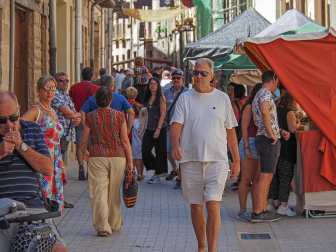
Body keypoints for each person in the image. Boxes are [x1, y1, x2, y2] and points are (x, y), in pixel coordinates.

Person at [170, 58, 240, 252]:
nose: (198, 76)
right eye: (195, 73)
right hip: (190, 160)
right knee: (196, 207)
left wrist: (236, 160)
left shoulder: (222, 98)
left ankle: (212, 249)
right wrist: (175, 145)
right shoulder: (185, 98)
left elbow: (230, 131)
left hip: (217, 160)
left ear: (212, 76)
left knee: (213, 204)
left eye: (202, 73)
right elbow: (175, 126)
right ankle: (202, 246)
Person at [0, 91, 68, 252]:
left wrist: (22, 147)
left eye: (13, 118)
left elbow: (48, 169)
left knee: (59, 249)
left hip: (33, 208)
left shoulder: (32, 129)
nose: (9, 124)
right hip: (3, 209)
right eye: (2, 120)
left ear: (19, 110)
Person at [81, 87, 133, 237]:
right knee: (113, 192)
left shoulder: (90, 117)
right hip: (117, 157)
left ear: (96, 100)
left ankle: (103, 226)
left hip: (97, 156)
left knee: (99, 192)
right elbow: (124, 140)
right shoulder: (119, 116)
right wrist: (130, 160)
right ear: (111, 100)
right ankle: (114, 223)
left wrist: (85, 151)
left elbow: (85, 140)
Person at [21, 75, 66, 213]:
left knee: (53, 203)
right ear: (38, 90)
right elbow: (19, 127)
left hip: (55, 162)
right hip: (43, 159)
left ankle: (49, 231)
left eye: (53, 88)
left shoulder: (52, 110)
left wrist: (62, 165)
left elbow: (56, 142)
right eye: (46, 88)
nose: (49, 92)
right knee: (43, 200)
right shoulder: (36, 110)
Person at [251, 70, 289, 223]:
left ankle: (262, 210)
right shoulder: (265, 94)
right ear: (273, 79)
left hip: (265, 138)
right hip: (268, 140)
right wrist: (272, 134)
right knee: (266, 177)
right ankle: (259, 211)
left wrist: (278, 131)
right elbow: (265, 113)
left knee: (266, 176)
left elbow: (265, 118)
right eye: (277, 82)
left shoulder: (259, 94)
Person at [267, 91, 301, 216]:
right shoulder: (289, 112)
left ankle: (270, 204)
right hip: (287, 148)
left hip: (275, 147)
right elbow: (292, 128)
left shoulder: (275, 110)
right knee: (286, 177)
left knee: (274, 177)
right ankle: (283, 206)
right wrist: (298, 121)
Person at [51, 72, 81, 208]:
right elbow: (69, 112)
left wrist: (77, 118)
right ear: (56, 82)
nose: (64, 83)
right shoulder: (55, 94)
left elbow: (75, 112)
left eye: (66, 81)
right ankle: (56, 200)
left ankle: (59, 199)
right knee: (58, 168)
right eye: (61, 80)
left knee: (60, 169)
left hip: (66, 135)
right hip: (59, 136)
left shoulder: (66, 96)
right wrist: (74, 116)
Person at [236, 83, 263, 222]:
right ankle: (242, 210)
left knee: (257, 180)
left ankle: (255, 209)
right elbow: (244, 128)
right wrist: (247, 148)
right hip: (250, 142)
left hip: (259, 143)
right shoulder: (249, 106)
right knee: (246, 179)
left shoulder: (260, 106)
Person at [69, 67, 99, 180]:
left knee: (79, 144)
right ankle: (89, 169)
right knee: (90, 145)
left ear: (82, 76)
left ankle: (81, 167)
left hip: (78, 118)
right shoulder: (96, 88)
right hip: (92, 120)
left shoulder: (74, 87)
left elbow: (70, 102)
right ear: (92, 77)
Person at [163, 69, 188, 188]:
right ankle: (174, 168)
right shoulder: (166, 92)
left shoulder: (188, 93)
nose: (176, 80)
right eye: (174, 78)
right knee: (169, 151)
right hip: (169, 126)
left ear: (182, 79)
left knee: (181, 152)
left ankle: (180, 177)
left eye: (178, 78)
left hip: (184, 127)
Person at [142, 77, 168, 184]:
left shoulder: (161, 97)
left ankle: (157, 174)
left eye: (154, 84)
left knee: (160, 151)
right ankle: (159, 167)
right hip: (149, 127)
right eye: (151, 84)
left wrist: (158, 129)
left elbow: (163, 114)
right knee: (145, 150)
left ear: (158, 85)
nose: (152, 85)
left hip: (160, 127)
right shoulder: (148, 97)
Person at [131, 102, 145, 181]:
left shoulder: (133, 121)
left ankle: (138, 173)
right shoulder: (143, 121)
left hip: (135, 143)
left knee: (136, 159)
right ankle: (141, 174)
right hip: (142, 142)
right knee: (142, 159)